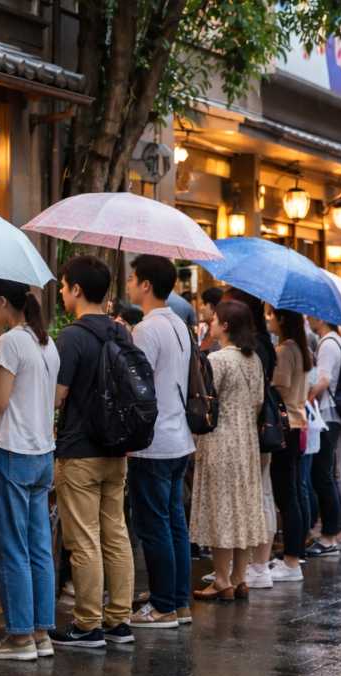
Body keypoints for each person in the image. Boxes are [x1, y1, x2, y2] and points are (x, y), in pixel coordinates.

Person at [49, 255, 134, 648]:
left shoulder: (72, 337)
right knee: (115, 533)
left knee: (83, 539)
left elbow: (57, 396)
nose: (62, 294)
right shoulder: (122, 333)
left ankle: (87, 623)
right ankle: (119, 618)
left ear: (77, 289)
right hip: (117, 448)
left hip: (80, 450)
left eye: (64, 286)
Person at [0, 278, 60, 661]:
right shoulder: (46, 342)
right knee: (39, 547)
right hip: (42, 452)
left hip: (12, 450)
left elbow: (0, 401)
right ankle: (41, 632)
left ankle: (20, 636)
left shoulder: (10, 342)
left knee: (10, 546)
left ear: (2, 302)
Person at [124, 255, 195, 629]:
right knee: (174, 523)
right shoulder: (179, 324)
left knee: (154, 526)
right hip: (178, 436)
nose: (128, 284)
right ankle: (178, 601)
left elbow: (137, 386)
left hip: (153, 442)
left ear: (146, 285)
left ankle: (163, 605)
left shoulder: (146, 329)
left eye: (132, 278)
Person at [190, 300, 268, 602]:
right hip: (247, 440)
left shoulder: (218, 359)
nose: (210, 323)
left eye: (214, 320)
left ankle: (222, 579)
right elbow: (259, 401)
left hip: (220, 439)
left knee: (221, 507)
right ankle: (239, 577)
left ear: (225, 326)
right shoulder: (254, 359)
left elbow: (208, 399)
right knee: (243, 507)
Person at [223, 288, 277, 590]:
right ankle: (246, 569)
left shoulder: (250, 350)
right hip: (256, 430)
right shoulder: (261, 346)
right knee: (257, 496)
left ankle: (255, 566)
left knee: (254, 498)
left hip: (249, 432)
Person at [265, 306, 311, 583]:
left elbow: (279, 389)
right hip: (298, 423)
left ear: (282, 318)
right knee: (293, 492)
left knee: (286, 495)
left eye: (271, 315)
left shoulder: (285, 351)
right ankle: (294, 556)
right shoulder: (300, 349)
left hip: (285, 426)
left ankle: (292, 561)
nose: (268, 320)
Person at [307, 316, 341, 556]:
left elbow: (324, 380)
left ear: (321, 318)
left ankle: (329, 537)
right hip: (333, 415)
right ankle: (336, 533)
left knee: (322, 475)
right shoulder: (337, 341)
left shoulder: (328, 344)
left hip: (326, 414)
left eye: (312, 315)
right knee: (327, 475)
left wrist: (308, 397)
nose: (309, 318)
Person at [197, 287, 223, 352]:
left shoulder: (219, 335)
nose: (201, 308)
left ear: (212, 306)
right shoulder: (207, 330)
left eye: (203, 304)